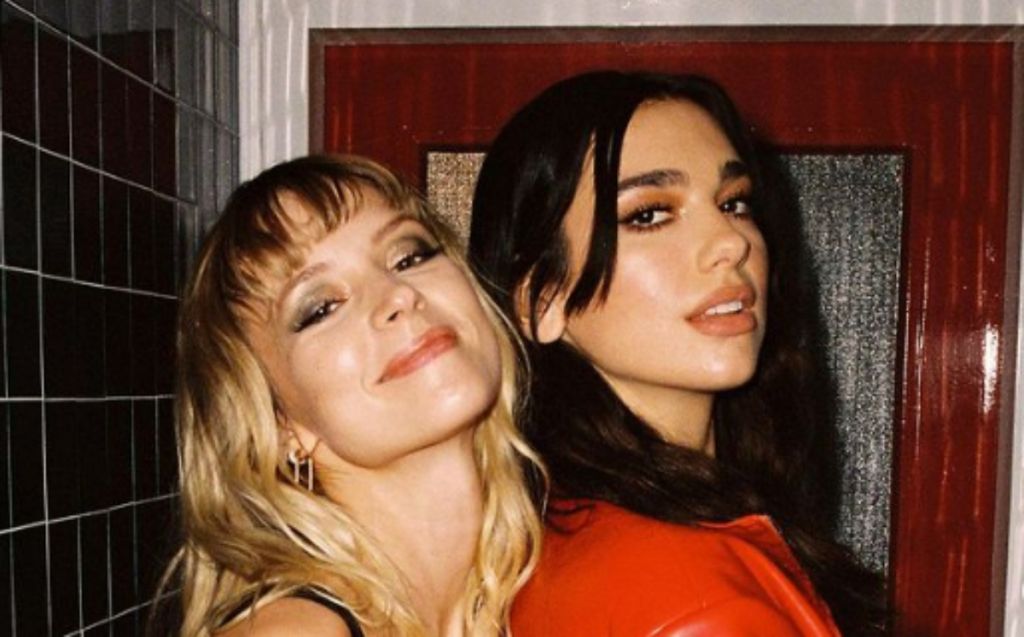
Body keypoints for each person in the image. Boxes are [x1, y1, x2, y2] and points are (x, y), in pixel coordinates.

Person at [469, 71, 886, 635]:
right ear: (544, 300)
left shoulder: (559, 535)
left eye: (734, 203)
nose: (731, 242)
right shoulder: (692, 596)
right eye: (649, 214)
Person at [160, 155, 543, 636]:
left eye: (409, 256)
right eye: (322, 307)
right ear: (278, 423)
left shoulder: (546, 583)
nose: (398, 294)